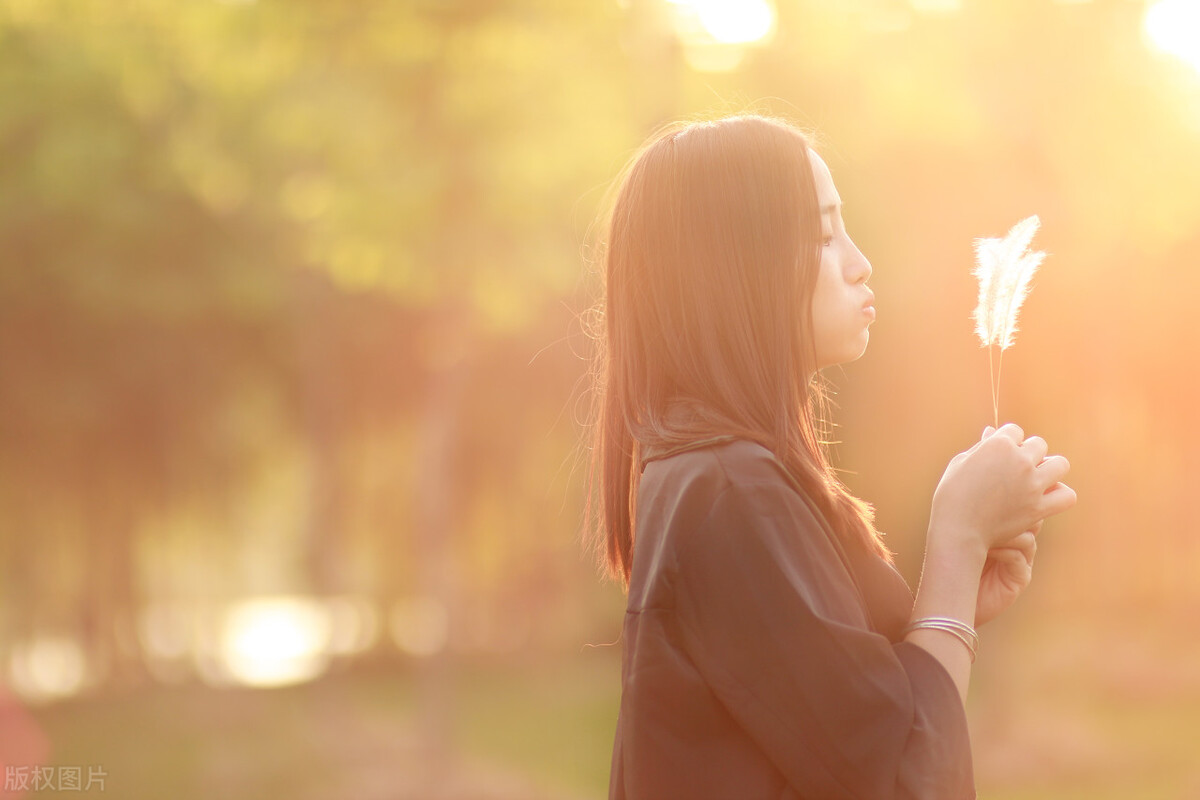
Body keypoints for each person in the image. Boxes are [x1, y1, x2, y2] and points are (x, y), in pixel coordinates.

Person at [584, 114, 1076, 799]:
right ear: (734, 269)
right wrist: (957, 541)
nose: (858, 261)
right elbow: (901, 778)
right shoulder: (730, 491)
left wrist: (954, 603)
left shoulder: (713, 477)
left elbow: (849, 737)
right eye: (822, 234)